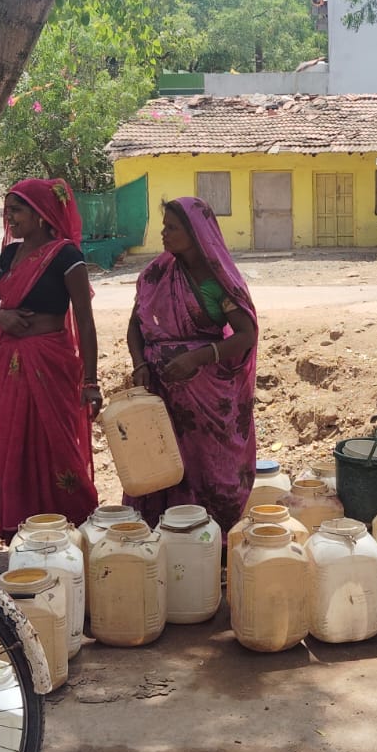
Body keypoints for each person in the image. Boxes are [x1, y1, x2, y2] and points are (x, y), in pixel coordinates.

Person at [0, 178, 100, 541]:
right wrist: (2, 318)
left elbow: (86, 323)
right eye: (8, 210)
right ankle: (22, 532)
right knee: (14, 442)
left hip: (51, 362)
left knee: (57, 443)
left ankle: (72, 525)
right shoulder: (9, 256)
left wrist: (90, 382)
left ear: (41, 213)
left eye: (17, 210)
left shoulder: (66, 257)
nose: (9, 217)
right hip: (8, 365)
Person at [125, 198, 259, 532]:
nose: (164, 233)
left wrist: (197, 358)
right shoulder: (158, 274)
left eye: (172, 227)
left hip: (206, 396)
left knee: (207, 469)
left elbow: (246, 334)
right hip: (159, 393)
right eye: (164, 226)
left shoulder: (219, 282)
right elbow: (135, 326)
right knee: (159, 464)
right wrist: (140, 364)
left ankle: (210, 541)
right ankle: (161, 539)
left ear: (196, 232)